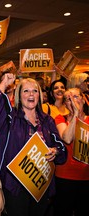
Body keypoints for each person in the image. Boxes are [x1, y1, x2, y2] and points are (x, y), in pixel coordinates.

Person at [0, 74, 67, 216]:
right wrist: (4, 83)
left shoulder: (47, 120)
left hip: (40, 186)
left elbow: (61, 148)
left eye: (35, 91)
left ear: (39, 95)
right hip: (14, 186)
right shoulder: (10, 119)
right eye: (26, 91)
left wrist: (56, 151)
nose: (31, 94)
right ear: (19, 95)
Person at [54, 87, 89, 216]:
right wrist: (75, 115)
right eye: (68, 99)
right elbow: (67, 138)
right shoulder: (60, 119)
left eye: (75, 97)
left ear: (83, 100)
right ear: (65, 104)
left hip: (86, 176)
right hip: (65, 176)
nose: (72, 101)